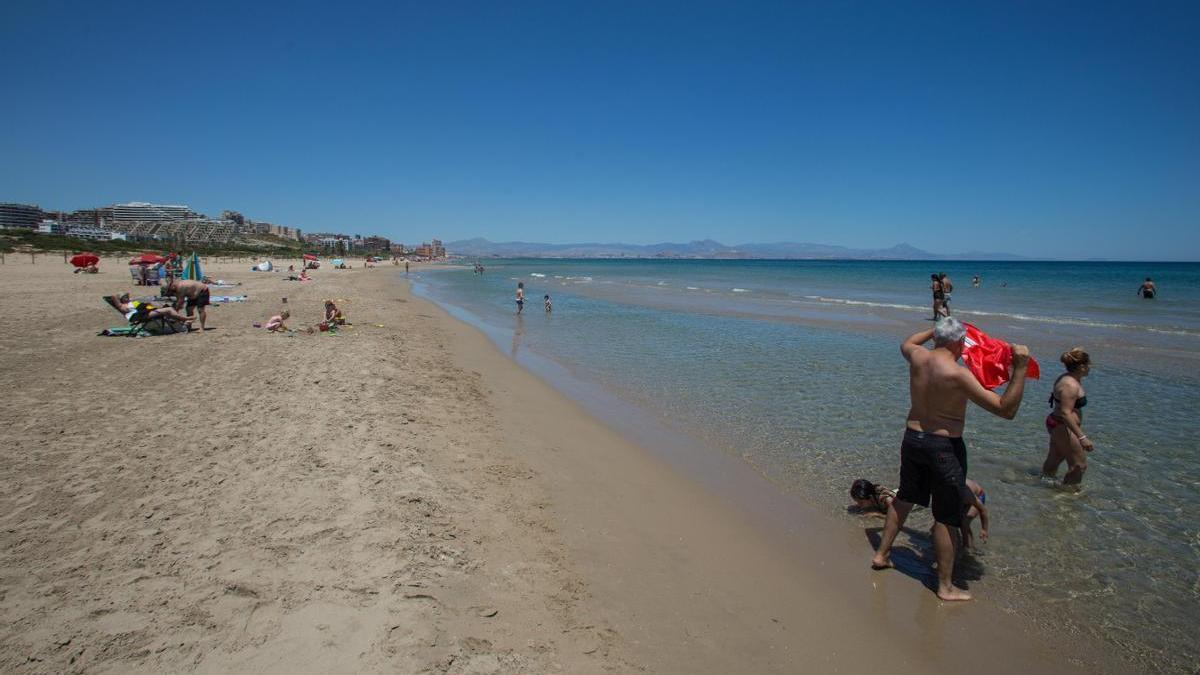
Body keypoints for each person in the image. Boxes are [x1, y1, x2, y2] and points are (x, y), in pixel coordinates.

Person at [870, 317, 1030, 601]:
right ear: (960, 343)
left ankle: (882, 555)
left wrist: (937, 327)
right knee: (946, 516)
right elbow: (1006, 410)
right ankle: (945, 586)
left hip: (913, 438)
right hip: (943, 446)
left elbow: (907, 341)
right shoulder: (958, 375)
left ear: (936, 339)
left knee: (904, 498)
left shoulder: (918, 357)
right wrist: (1019, 369)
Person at [1041, 348, 1093, 485]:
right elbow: (1065, 412)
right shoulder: (1070, 385)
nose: (1090, 367)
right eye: (1089, 364)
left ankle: (1044, 483)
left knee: (1055, 457)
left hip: (1057, 423)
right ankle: (1067, 494)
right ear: (1082, 366)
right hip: (1062, 426)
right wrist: (1082, 437)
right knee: (1079, 465)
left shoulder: (1068, 378)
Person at [109, 293, 193, 325]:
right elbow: (113, 296)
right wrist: (118, 299)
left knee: (166, 309)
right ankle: (184, 319)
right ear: (121, 300)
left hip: (144, 313)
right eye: (125, 297)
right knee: (169, 309)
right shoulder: (122, 306)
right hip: (140, 316)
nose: (127, 298)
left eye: (127, 297)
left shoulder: (130, 303)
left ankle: (182, 321)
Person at [960, 478, 989, 552]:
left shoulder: (966, 494)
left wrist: (984, 529)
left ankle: (968, 548)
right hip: (965, 495)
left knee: (964, 522)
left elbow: (983, 510)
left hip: (978, 495)